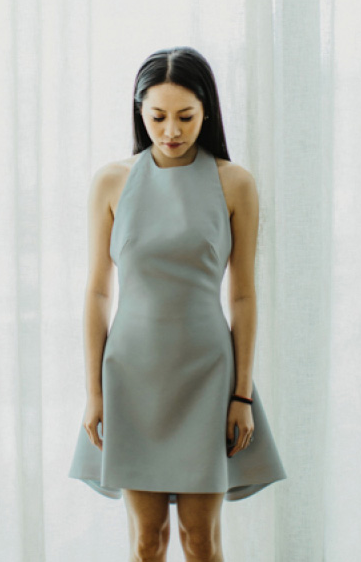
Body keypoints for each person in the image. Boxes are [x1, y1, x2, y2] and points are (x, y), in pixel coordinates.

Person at [68, 46, 287, 561]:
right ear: (139, 112)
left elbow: (243, 294)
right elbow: (98, 291)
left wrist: (241, 395)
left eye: (185, 117)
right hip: (132, 375)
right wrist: (94, 392)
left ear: (206, 111)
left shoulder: (235, 183)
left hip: (207, 374)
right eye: (158, 116)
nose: (171, 130)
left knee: (199, 539)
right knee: (147, 541)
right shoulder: (111, 181)